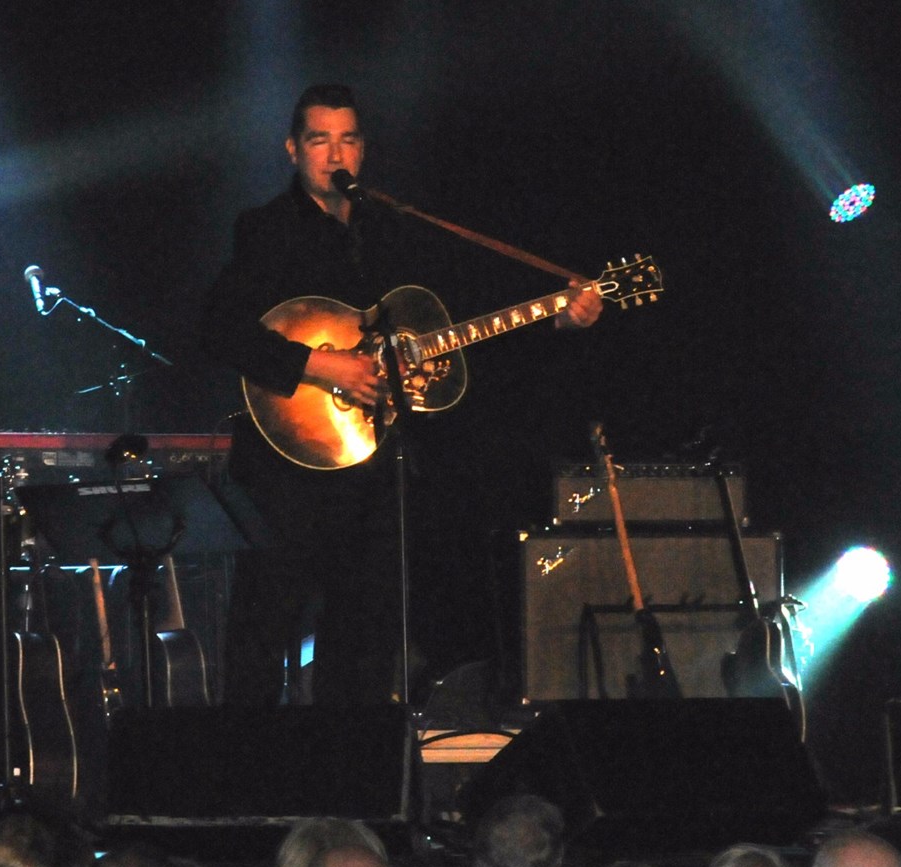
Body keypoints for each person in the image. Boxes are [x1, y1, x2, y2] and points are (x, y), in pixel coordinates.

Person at [200, 83, 601, 706]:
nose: (336, 154)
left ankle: (353, 786)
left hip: (380, 470)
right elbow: (219, 329)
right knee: (263, 631)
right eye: (320, 139)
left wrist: (556, 317)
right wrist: (320, 366)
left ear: (363, 152)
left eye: (349, 140)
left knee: (365, 640)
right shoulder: (265, 229)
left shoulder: (394, 234)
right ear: (292, 150)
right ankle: (244, 785)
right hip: (290, 469)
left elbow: (461, 327)